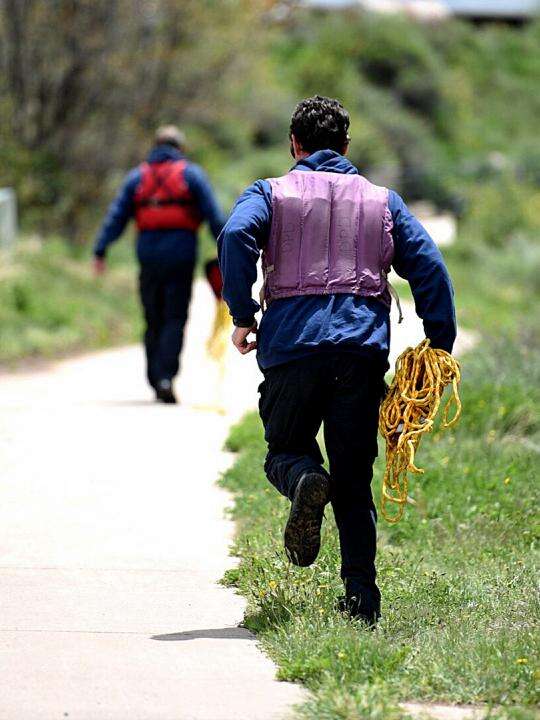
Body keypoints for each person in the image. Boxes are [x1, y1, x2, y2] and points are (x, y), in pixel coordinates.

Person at [218, 96, 456, 625]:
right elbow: (431, 266)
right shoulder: (382, 200)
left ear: (294, 145)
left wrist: (243, 312)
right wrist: (440, 343)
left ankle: (303, 477)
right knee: (353, 478)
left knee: (284, 450)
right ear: (347, 146)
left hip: (291, 350)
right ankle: (360, 601)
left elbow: (235, 235)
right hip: (359, 353)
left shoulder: (269, 193)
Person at [93, 125, 225, 403]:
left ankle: (155, 377)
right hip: (181, 256)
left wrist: (100, 249)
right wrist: (228, 249)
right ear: (180, 148)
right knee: (175, 317)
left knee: (153, 318)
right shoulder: (191, 175)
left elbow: (116, 217)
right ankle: (165, 376)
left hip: (148, 258)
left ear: (156, 146)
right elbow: (214, 215)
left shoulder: (137, 177)